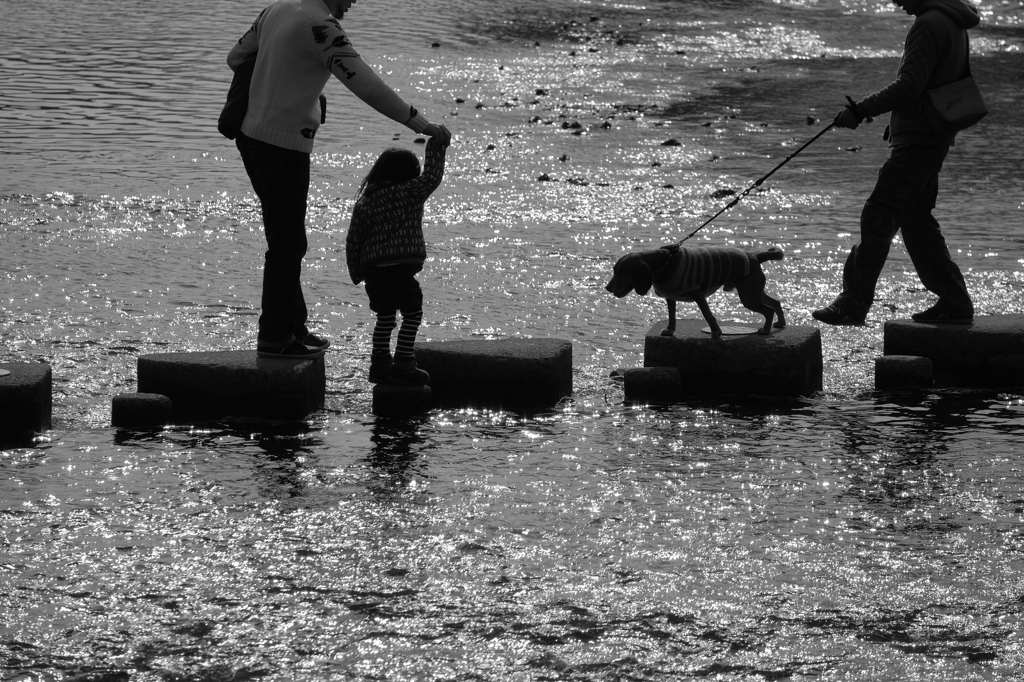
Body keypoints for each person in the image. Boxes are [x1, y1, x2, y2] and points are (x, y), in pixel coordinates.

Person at [227, 0, 449, 358]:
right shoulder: (322, 27)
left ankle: (292, 327)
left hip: (250, 137)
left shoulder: (277, 9)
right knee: (287, 245)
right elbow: (366, 85)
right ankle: (274, 338)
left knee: (284, 238)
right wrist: (422, 125)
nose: (352, 2)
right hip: (283, 146)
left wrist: (301, 91)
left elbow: (236, 57)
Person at [812, 0, 979, 327]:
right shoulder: (953, 20)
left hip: (919, 141)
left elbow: (909, 86)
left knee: (878, 215)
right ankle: (955, 301)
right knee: (917, 223)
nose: (896, 1)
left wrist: (860, 110)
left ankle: (853, 303)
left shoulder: (929, 24)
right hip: (931, 135)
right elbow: (932, 84)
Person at [346, 126, 452, 385]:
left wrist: (357, 273)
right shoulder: (409, 192)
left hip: (374, 271)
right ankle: (404, 363)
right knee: (412, 314)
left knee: (384, 317)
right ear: (408, 175)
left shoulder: (366, 202)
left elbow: (354, 240)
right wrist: (436, 146)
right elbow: (432, 177)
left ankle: (380, 365)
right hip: (399, 268)